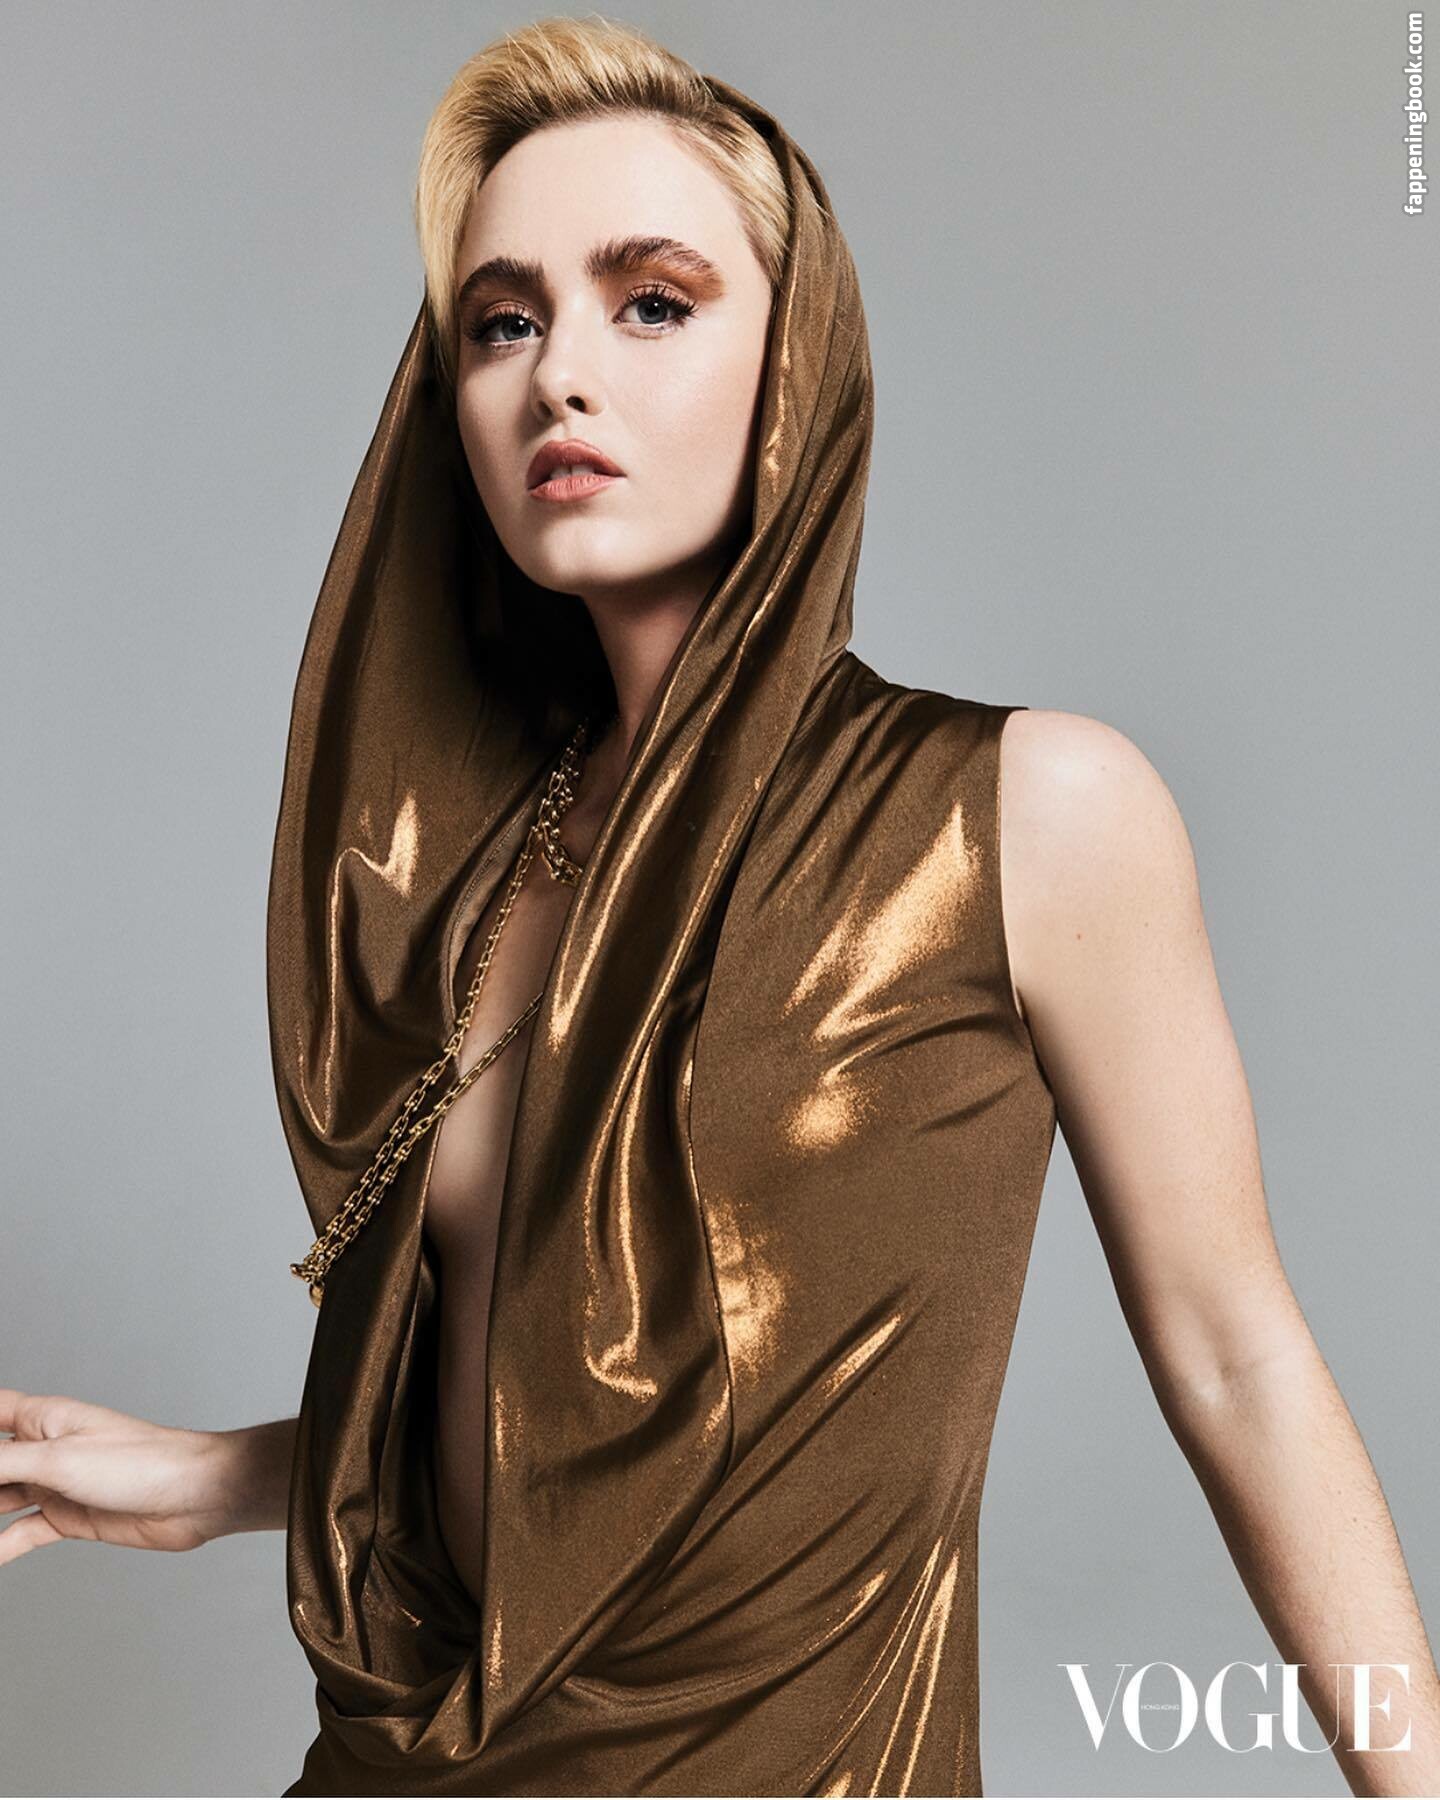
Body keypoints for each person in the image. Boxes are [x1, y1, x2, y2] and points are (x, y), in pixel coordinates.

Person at [2, 16, 1436, 1798]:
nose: (559, 376)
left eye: (652, 303)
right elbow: (576, 1412)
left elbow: (1237, 1362)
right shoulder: (470, 886)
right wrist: (218, 1477)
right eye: (503, 321)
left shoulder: (1027, 817)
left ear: (794, 359)